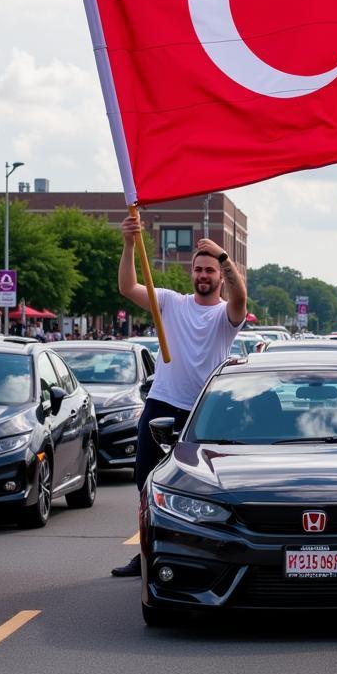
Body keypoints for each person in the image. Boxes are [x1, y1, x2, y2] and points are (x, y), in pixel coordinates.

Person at [111, 215, 247, 577]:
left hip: (205, 414)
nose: (204, 275)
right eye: (199, 269)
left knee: (202, 489)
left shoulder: (225, 315)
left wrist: (223, 256)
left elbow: (241, 297)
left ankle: (204, 551)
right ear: (192, 273)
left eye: (210, 271)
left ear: (219, 277)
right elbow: (128, 287)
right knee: (146, 479)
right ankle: (146, 554)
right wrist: (128, 244)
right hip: (162, 405)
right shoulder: (170, 302)